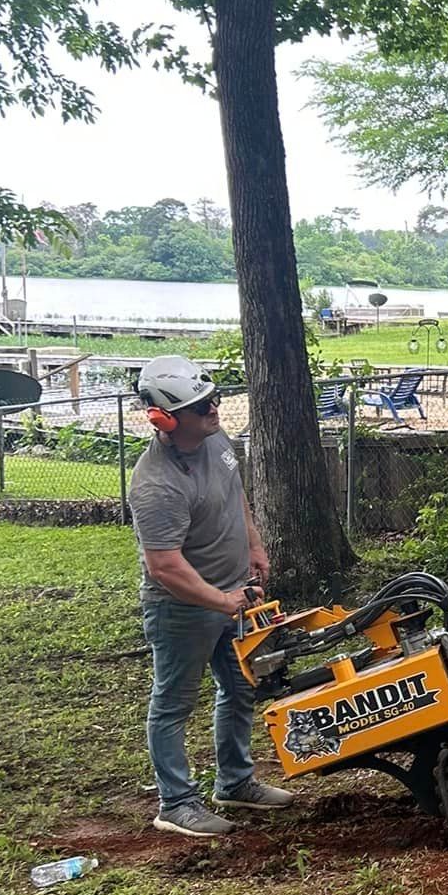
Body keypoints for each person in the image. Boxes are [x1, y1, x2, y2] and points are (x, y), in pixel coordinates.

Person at [128, 356, 293, 837]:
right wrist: (219, 601)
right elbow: (165, 566)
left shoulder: (216, 439)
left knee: (240, 687)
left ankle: (235, 782)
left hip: (232, 597)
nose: (214, 409)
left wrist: (255, 544)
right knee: (173, 703)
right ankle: (176, 803)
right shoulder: (156, 486)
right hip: (182, 608)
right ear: (165, 419)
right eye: (201, 407)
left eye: (212, 399)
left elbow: (233, 491)